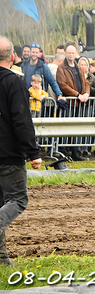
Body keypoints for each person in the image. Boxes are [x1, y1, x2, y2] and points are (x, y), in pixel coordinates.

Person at [0, 36, 42, 267]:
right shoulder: (14, 82)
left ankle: (2, 260)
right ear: (13, 58)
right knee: (18, 199)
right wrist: (33, 152)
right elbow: (21, 120)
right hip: (8, 155)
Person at [56, 42, 90, 161]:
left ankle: (75, 151)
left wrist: (86, 93)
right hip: (69, 103)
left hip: (79, 103)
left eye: (73, 53)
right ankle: (62, 151)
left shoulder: (78, 67)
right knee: (65, 127)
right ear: (65, 53)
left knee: (76, 127)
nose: (71, 55)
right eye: (69, 52)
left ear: (76, 54)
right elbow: (63, 85)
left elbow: (85, 82)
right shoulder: (61, 68)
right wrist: (77, 95)